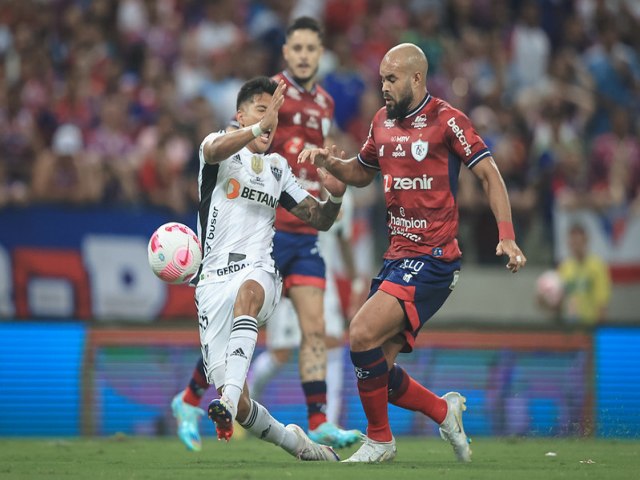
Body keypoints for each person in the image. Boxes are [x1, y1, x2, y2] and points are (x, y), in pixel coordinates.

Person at [298, 43, 527, 463]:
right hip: (397, 257)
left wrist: (507, 235)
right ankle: (444, 410)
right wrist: (330, 163)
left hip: (435, 258)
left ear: (416, 78)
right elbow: (362, 174)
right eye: (381, 78)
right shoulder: (381, 123)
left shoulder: (447, 121)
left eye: (391, 79)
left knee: (361, 332)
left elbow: (489, 174)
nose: (383, 87)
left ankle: (380, 442)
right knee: (377, 373)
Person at [171, 16, 360, 451]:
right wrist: (256, 128)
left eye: (273, 116)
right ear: (240, 115)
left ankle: (286, 412)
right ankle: (297, 443)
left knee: (256, 294)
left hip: (259, 272)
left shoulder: (279, 169)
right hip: (212, 283)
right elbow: (218, 147)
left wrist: (334, 196)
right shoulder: (215, 151)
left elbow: (318, 217)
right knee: (241, 409)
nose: (270, 121)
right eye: (261, 111)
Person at [249, 189, 361, 427]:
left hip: (324, 279)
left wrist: (356, 281)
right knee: (280, 354)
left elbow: (344, 240)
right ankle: (246, 399)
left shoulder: (342, 195)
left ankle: (325, 423)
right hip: (291, 274)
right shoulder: (290, 184)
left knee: (331, 342)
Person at [557, 223, 611, 325]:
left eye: (579, 241)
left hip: (591, 326)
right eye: (573, 242)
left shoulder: (597, 266)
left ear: (585, 240)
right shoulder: (564, 268)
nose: (576, 245)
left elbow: (602, 302)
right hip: (570, 328)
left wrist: (599, 327)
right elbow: (559, 301)